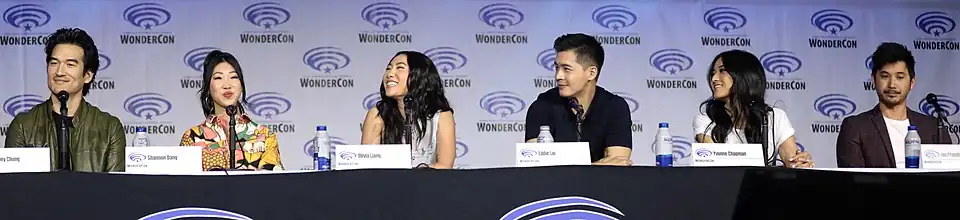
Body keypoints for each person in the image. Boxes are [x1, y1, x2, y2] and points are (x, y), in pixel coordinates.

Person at [3, 28, 125, 172]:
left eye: (70, 64)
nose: (59, 72)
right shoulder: (23, 125)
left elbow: (116, 190)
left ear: (87, 75)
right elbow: (13, 189)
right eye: (54, 63)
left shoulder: (109, 128)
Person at [836, 42, 952, 168]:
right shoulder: (855, 128)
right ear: (874, 80)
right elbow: (852, 182)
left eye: (900, 77)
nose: (892, 84)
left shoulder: (934, 128)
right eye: (885, 76)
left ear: (912, 82)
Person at [524, 33, 632, 166]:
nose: (558, 76)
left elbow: (618, 165)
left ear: (591, 73)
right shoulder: (542, 106)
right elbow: (534, 166)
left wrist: (571, 171)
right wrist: (594, 167)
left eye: (566, 69)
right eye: (557, 68)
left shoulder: (615, 107)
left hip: (603, 186)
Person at [693, 50, 813, 168]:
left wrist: (800, 164)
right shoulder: (706, 120)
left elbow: (792, 161)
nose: (714, 78)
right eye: (713, 73)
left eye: (722, 71)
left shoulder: (775, 117)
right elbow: (717, 165)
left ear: (743, 75)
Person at [179, 50, 283, 171]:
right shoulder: (192, 138)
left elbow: (274, 183)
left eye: (233, 77)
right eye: (218, 78)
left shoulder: (264, 135)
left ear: (241, 85)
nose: (227, 85)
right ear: (208, 87)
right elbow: (185, 185)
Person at [361, 51, 456, 169]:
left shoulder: (441, 115)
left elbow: (444, 166)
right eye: (388, 68)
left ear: (420, 75)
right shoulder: (378, 114)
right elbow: (367, 166)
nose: (390, 74)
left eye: (400, 67)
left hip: (429, 185)